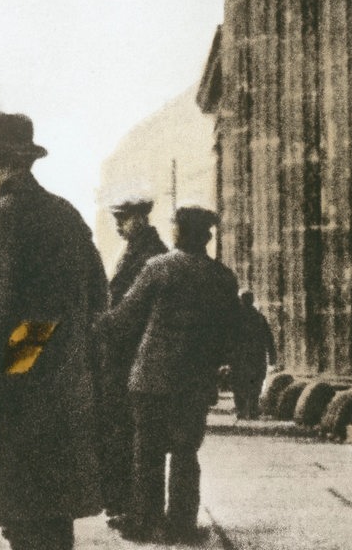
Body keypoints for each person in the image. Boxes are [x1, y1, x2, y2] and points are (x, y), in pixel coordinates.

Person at [0, 112, 107, 550]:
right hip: (68, 373)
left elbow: (1, 301)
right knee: (56, 508)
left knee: (23, 512)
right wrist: (66, 342)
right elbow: (99, 292)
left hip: (25, 379)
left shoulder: (5, 212)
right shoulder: (65, 212)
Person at [97, 206, 238, 544]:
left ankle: (147, 522)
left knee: (147, 452)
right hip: (195, 380)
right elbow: (229, 332)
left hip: (152, 377)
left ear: (178, 232)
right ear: (205, 235)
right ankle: (181, 523)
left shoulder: (158, 268)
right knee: (186, 452)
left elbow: (124, 318)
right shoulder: (222, 277)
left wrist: (96, 322)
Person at [98, 196, 168, 521]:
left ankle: (127, 504)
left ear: (140, 219)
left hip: (132, 353)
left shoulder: (150, 255)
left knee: (126, 430)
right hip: (126, 352)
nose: (119, 225)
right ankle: (122, 501)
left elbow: (132, 308)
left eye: (123, 219)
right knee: (122, 429)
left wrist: (100, 324)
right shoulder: (140, 250)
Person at [229, 290, 276, 420]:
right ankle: (252, 409)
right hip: (255, 356)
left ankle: (242, 409)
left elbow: (229, 338)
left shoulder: (236, 319)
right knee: (254, 383)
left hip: (241, 357)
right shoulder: (259, 318)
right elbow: (269, 338)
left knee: (240, 383)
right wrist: (272, 355)